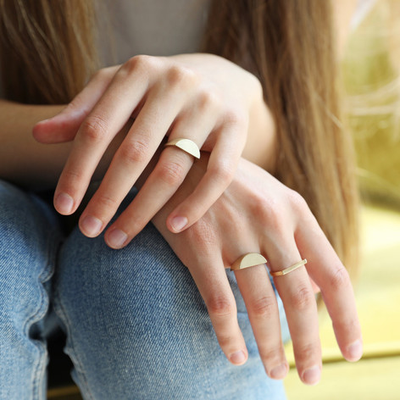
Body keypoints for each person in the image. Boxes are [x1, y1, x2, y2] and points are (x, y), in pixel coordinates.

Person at [0, 0, 363, 399]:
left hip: (222, 209)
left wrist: (236, 93)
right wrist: (147, 151)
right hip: (16, 181)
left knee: (144, 284)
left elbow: (297, 122)